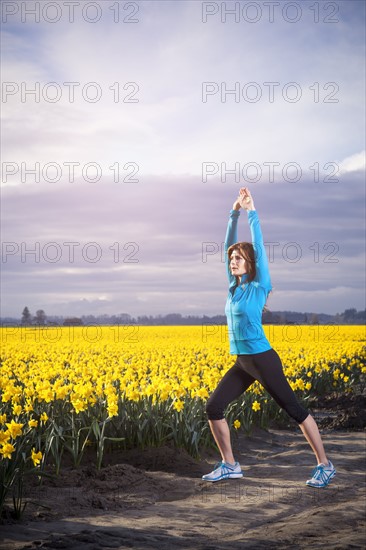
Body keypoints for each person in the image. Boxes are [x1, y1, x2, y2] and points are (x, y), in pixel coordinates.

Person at [202, 186, 336, 488]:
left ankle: (325, 465)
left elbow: (259, 246)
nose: (233, 260)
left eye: (239, 257)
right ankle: (230, 465)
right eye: (232, 258)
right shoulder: (233, 287)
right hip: (243, 362)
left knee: (295, 411)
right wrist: (232, 210)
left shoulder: (259, 285)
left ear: (251, 264)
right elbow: (226, 242)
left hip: (263, 360)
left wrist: (251, 210)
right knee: (213, 407)